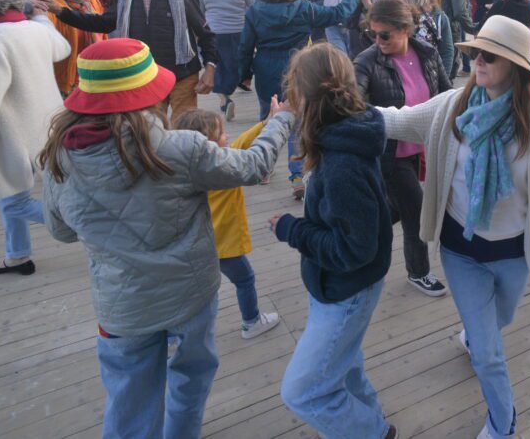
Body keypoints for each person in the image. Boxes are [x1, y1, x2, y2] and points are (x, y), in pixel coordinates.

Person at [41, 37, 293, 438]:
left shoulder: (60, 158)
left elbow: (62, 231)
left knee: (128, 400)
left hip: (121, 308)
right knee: (190, 380)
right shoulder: (180, 148)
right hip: (189, 297)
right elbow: (254, 164)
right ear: (149, 95)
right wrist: (280, 119)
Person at [374, 15, 530, 439]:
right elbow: (396, 120)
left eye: (490, 56)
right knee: (490, 355)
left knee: (499, 319)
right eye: (475, 53)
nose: (479, 61)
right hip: (461, 248)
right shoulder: (453, 106)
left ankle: (476, 335)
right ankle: (503, 424)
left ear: (515, 67)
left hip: (514, 253)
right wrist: (341, 111)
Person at [267, 44, 397, 439]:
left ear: (310, 94)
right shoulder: (345, 132)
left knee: (302, 392)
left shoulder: (342, 163)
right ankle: (374, 426)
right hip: (336, 284)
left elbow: (354, 249)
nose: (290, 97)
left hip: (346, 289)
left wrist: (293, 230)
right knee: (345, 365)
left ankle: (371, 433)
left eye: (294, 89)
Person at [42, 0, 217, 123]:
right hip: (144, 76)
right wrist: (61, 11)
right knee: (151, 133)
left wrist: (210, 68)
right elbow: (103, 23)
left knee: (185, 131)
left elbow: (205, 34)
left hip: (182, 74)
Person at [239, 0, 364, 199]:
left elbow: (245, 47)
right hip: (297, 69)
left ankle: (263, 166)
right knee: (297, 124)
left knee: (267, 115)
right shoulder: (303, 9)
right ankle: (297, 177)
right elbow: (339, 12)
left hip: (265, 69)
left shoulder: (255, 10)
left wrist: (244, 75)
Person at [354, 0, 452, 297]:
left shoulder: (427, 53)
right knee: (416, 210)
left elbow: (446, 94)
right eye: (373, 34)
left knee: (390, 212)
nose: (377, 40)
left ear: (405, 29)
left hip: (424, 150)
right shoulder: (367, 61)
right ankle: (418, 272)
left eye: (384, 34)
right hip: (390, 154)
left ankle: (358, 243)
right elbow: (352, 100)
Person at [0, 0, 70, 275]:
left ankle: (85, 225)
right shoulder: (32, 27)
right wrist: (40, 16)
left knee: (12, 199)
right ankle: (17, 254)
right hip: (48, 124)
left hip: (13, 134)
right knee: (6, 193)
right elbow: (63, 49)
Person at [173, 109, 281, 339]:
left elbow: (240, 142)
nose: (227, 136)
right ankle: (251, 322)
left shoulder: (183, 170)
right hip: (225, 245)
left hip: (195, 244)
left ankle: (173, 336)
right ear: (208, 144)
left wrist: (264, 122)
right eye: (221, 134)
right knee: (245, 279)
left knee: (188, 291)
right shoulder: (224, 168)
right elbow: (245, 146)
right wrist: (268, 124)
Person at [196, 0, 257, 120]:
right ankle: (234, 87)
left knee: (216, 67)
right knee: (237, 64)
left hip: (213, 33)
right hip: (239, 32)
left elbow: (198, 11)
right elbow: (255, 5)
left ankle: (224, 99)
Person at [48, 0, 107, 96]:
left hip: (95, 74)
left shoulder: (92, 1)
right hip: (68, 81)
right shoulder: (52, 7)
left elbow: (103, 34)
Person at [426, 0, 456, 77]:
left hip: (433, 77)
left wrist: (443, 79)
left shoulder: (441, 18)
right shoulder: (410, 15)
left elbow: (447, 52)